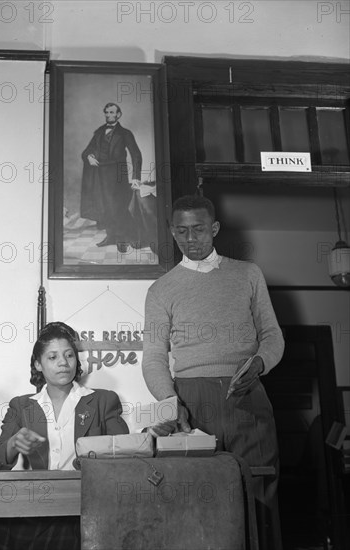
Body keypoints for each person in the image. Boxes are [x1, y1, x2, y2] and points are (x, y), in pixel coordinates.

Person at [142, 194, 285, 550]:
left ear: (215, 228)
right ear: (172, 232)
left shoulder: (248, 274)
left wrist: (261, 363)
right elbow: (154, 357)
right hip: (191, 400)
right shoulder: (161, 290)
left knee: (258, 493)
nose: (190, 239)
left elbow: (272, 334)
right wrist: (170, 403)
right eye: (181, 231)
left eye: (199, 230)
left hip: (247, 395)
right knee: (196, 498)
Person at [0, 321, 128, 550]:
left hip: (85, 502)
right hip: (36, 503)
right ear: (38, 364)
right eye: (53, 357)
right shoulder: (21, 406)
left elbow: (124, 451)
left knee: (65, 526)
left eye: (69, 355)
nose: (63, 363)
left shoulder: (103, 400)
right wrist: (12, 444)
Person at [81, 102, 142, 253]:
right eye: (106, 112)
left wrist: (136, 177)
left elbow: (136, 154)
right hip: (100, 173)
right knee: (104, 206)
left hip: (118, 172)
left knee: (118, 205)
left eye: (111, 112)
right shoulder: (99, 132)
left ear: (118, 114)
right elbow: (86, 151)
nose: (108, 115)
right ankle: (111, 236)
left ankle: (126, 237)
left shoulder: (125, 133)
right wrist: (88, 157)